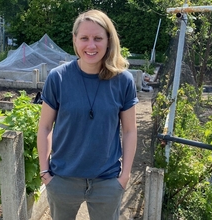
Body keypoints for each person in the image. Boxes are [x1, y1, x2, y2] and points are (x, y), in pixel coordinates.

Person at [37, 9, 138, 220]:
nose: (91, 46)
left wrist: (124, 176)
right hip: (62, 179)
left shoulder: (123, 81)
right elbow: (45, 126)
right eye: (84, 38)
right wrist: (45, 173)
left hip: (107, 182)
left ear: (108, 40)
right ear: (75, 40)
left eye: (98, 38)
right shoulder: (58, 78)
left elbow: (129, 131)